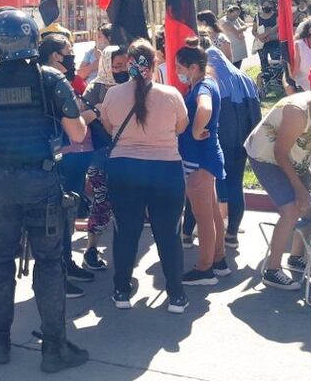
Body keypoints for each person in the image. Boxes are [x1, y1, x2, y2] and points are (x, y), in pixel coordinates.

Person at [0, 7, 89, 372]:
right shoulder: (50, 79)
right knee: (49, 263)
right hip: (42, 182)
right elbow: (78, 133)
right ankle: (54, 348)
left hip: (1, 184)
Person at [97, 39, 189, 312]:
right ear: (155, 63)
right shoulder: (171, 94)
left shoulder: (113, 95)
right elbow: (181, 127)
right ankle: (176, 295)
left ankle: (121, 291)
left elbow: (108, 126)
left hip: (124, 168)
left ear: (129, 65)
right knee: (169, 233)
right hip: (166, 169)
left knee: (125, 231)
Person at [244, 83, 311, 290]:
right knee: (291, 210)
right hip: (267, 157)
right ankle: (272, 271)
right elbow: (279, 153)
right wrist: (299, 188)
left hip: (297, 159)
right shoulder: (297, 113)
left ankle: (296, 257)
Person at [182, 42, 261, 250]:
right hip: (242, 140)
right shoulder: (245, 78)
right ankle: (231, 235)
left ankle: (188, 233)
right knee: (235, 184)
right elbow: (256, 113)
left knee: (199, 187)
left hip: (214, 139)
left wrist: (196, 131)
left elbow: (205, 109)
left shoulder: (209, 82)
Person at [39, 34, 97, 298]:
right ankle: (58, 274)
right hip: (60, 156)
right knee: (58, 218)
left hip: (70, 156)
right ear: (55, 55)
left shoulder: (54, 79)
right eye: (68, 51)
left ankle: (66, 263)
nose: (72, 55)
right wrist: (90, 114)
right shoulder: (50, 81)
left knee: (67, 216)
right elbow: (70, 124)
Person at [176, 44, 229, 286]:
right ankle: (219, 260)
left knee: (203, 216)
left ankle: (205, 269)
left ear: (194, 67)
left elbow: (205, 107)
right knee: (212, 211)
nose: (177, 71)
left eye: (180, 67)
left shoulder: (203, 87)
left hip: (198, 159)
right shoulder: (206, 83)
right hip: (206, 157)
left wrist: (197, 130)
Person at [80, 45, 130, 269]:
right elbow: (80, 118)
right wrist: (98, 111)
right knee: (101, 202)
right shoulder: (95, 88)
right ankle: (91, 249)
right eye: (117, 66)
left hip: (129, 154)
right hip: (101, 155)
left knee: (127, 204)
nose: (122, 70)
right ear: (107, 66)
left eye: (125, 65)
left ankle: (124, 252)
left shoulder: (133, 86)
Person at [254, 1, 280, 75]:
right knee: (263, 63)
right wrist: (259, 36)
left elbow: (278, 25)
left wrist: (267, 33)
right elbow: (253, 30)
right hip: (262, 44)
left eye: (268, 5)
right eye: (264, 6)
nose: (266, 7)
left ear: (271, 6)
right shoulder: (257, 16)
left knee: (276, 62)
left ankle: (276, 78)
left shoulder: (276, 15)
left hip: (274, 43)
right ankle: (265, 78)